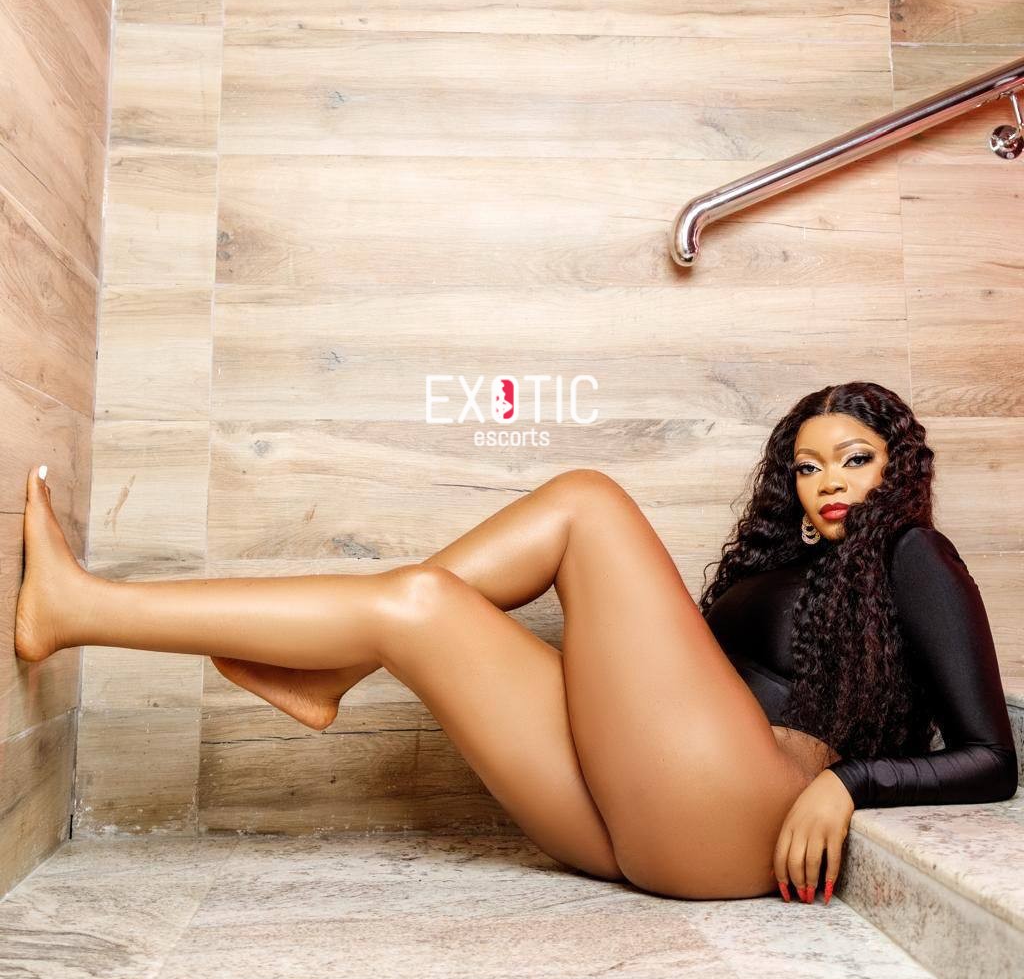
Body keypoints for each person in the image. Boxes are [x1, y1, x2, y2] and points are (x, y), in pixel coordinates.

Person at [13, 381, 1017, 904]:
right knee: (417, 604)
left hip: (741, 818)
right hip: (643, 816)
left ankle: (337, 667)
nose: (828, 479)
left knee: (585, 501)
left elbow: (991, 756)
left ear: (896, 466)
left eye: (854, 457)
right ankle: (79, 610)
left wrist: (846, 785)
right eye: (806, 465)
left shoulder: (914, 554)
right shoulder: (775, 564)